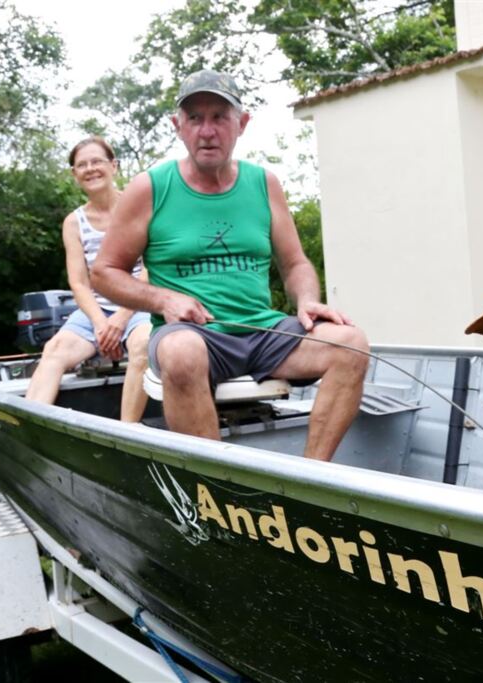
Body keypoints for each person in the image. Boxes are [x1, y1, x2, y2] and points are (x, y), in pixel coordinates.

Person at [91, 69, 368, 461]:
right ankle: (218, 488)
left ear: (242, 123)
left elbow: (295, 264)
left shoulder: (263, 183)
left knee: (351, 344)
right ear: (178, 127)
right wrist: (164, 300)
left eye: (220, 117)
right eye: (195, 118)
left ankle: (312, 476)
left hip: (260, 329)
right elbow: (104, 272)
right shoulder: (150, 187)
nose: (207, 130)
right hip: (191, 335)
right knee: (182, 352)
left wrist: (307, 300)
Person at [25, 136, 152, 422]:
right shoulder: (73, 222)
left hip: (138, 307)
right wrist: (100, 323)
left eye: (97, 161)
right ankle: (30, 426)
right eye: (82, 165)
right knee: (53, 349)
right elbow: (79, 282)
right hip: (95, 312)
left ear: (114, 166)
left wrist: (120, 319)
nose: (90, 169)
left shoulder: (140, 208)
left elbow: (150, 270)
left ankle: (126, 432)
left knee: (142, 347)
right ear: (74, 174)